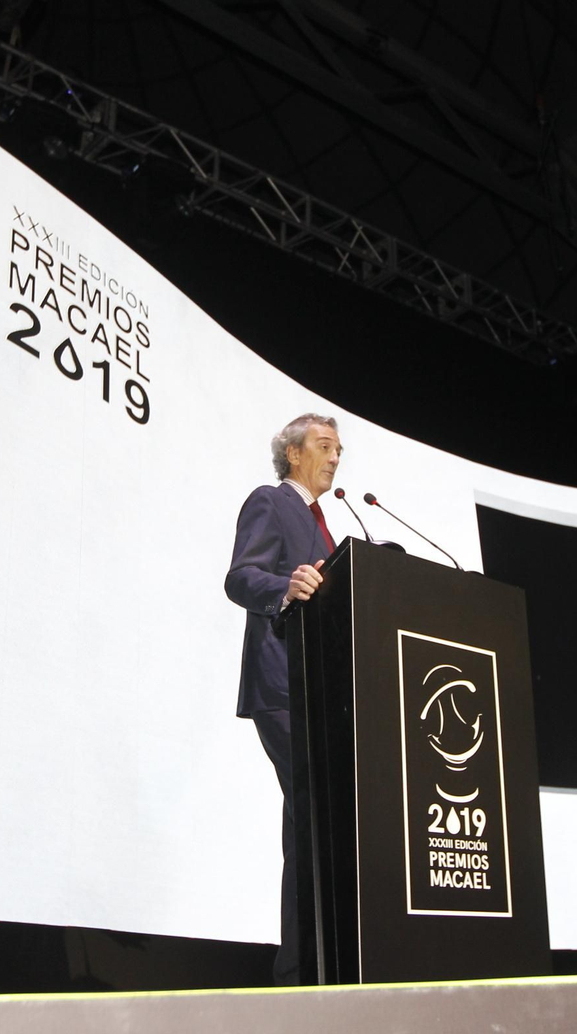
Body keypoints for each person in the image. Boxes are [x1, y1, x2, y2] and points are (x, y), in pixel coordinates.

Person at [224, 413, 342, 986]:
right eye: (324, 446)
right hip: (281, 686)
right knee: (314, 813)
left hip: (319, 687)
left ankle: (307, 967)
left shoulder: (327, 530)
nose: (335, 457)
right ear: (293, 453)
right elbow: (241, 577)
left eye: (339, 449)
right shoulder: (270, 501)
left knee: (311, 822)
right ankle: (301, 970)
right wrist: (284, 587)